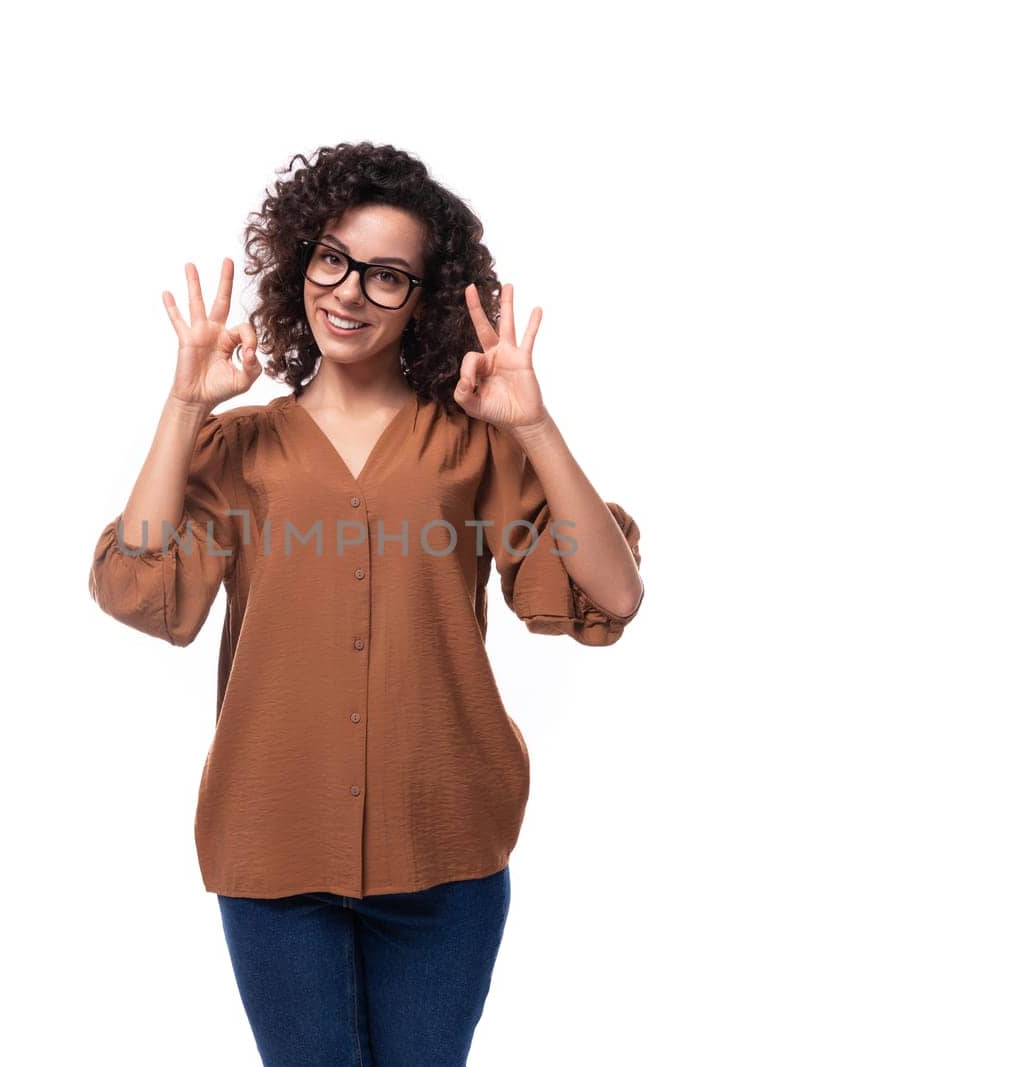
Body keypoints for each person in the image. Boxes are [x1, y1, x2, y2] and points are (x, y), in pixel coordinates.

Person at [88, 141, 644, 1065]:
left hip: (447, 849)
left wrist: (536, 427)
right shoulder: (241, 446)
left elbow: (612, 590)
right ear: (304, 260)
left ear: (424, 300)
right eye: (334, 260)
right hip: (274, 850)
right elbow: (139, 586)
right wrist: (185, 404)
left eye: (388, 276)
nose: (348, 292)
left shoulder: (473, 441)